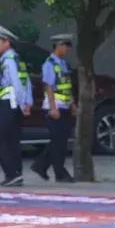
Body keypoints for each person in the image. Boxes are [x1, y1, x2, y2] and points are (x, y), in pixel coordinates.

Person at [31, 33, 76, 183]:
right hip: (54, 107)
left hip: (64, 107)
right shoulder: (49, 64)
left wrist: (72, 105)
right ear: (58, 46)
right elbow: (48, 87)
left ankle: (40, 165)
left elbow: (67, 87)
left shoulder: (63, 64)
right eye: (65, 46)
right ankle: (60, 173)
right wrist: (52, 108)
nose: (67, 50)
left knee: (60, 141)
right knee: (58, 142)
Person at [0, 25, 32, 187]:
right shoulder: (17, 59)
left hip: (8, 104)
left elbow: (16, 83)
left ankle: (11, 173)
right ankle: (16, 174)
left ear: (6, 43)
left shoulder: (8, 61)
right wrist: (27, 102)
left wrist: (23, 104)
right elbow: (27, 82)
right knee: (13, 140)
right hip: (16, 105)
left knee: (0, 139)